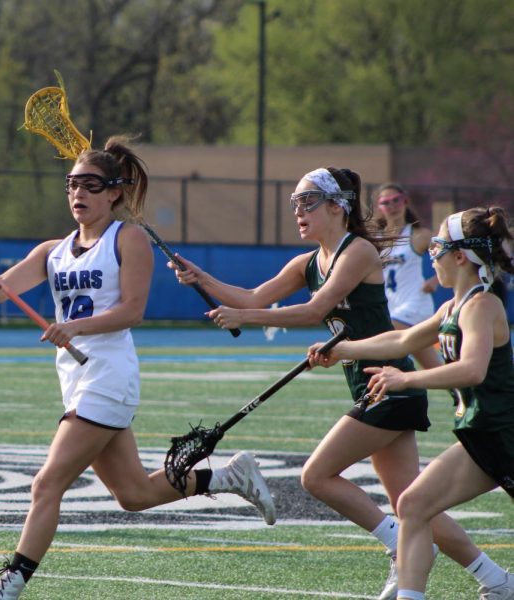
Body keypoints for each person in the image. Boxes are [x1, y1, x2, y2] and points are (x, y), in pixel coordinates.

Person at [0, 137, 275, 600]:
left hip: (108, 376)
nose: (78, 193)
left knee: (46, 483)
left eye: (90, 185)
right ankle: (228, 476)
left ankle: (7, 586)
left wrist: (73, 327)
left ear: (114, 192)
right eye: (72, 184)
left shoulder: (127, 238)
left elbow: (133, 311)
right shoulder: (52, 250)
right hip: (76, 380)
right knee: (134, 495)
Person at [168, 167, 479, 600]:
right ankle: (497, 580)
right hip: (370, 386)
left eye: (308, 200)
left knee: (316, 477)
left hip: (388, 385)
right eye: (295, 201)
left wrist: (244, 319)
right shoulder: (308, 262)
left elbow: (314, 311)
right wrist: (202, 278)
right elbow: (255, 296)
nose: (299, 210)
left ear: (338, 206)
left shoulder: (358, 253)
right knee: (414, 504)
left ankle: (396, 546)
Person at [310, 206, 514, 600]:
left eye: (437, 245)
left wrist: (405, 378)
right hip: (483, 434)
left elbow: (472, 370)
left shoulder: (481, 307)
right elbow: (401, 341)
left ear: (460, 256)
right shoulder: (452, 308)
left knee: (413, 503)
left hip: (505, 432)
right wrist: (340, 349)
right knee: (414, 504)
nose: (431, 253)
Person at [374, 183, 442, 370]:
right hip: (391, 305)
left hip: (415, 303)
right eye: (386, 202)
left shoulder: (418, 236)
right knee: (430, 365)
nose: (392, 206)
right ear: (380, 207)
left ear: (405, 201)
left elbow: (451, 253)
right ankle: (458, 390)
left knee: (387, 337)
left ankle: (402, 385)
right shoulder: (376, 240)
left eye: (396, 200)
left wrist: (436, 280)